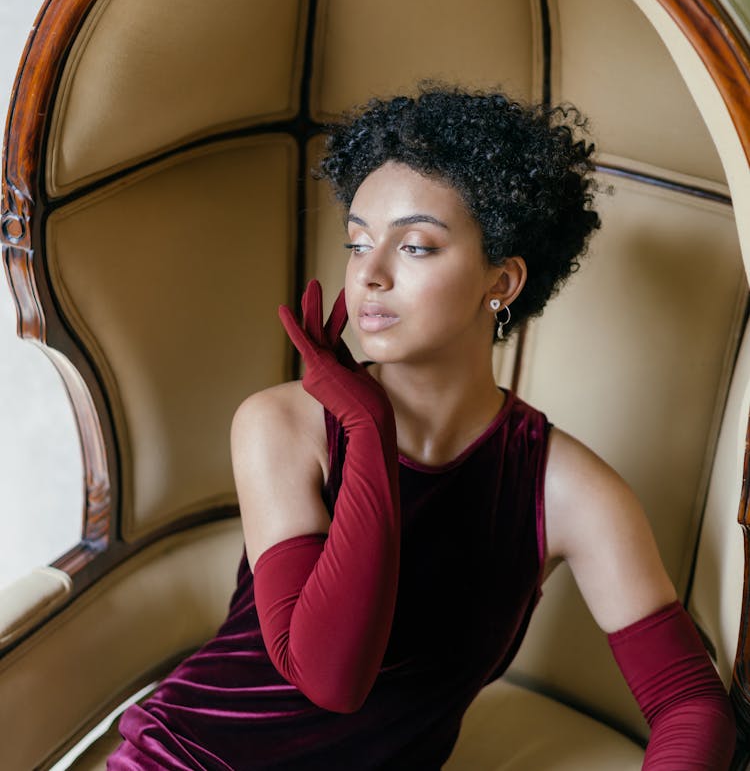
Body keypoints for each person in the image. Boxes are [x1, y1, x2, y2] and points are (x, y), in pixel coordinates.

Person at [108, 86, 736, 770]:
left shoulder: (569, 489)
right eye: (357, 242)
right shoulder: (283, 425)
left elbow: (688, 701)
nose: (369, 274)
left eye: (414, 246)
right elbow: (329, 677)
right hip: (188, 757)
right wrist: (369, 430)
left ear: (503, 280)